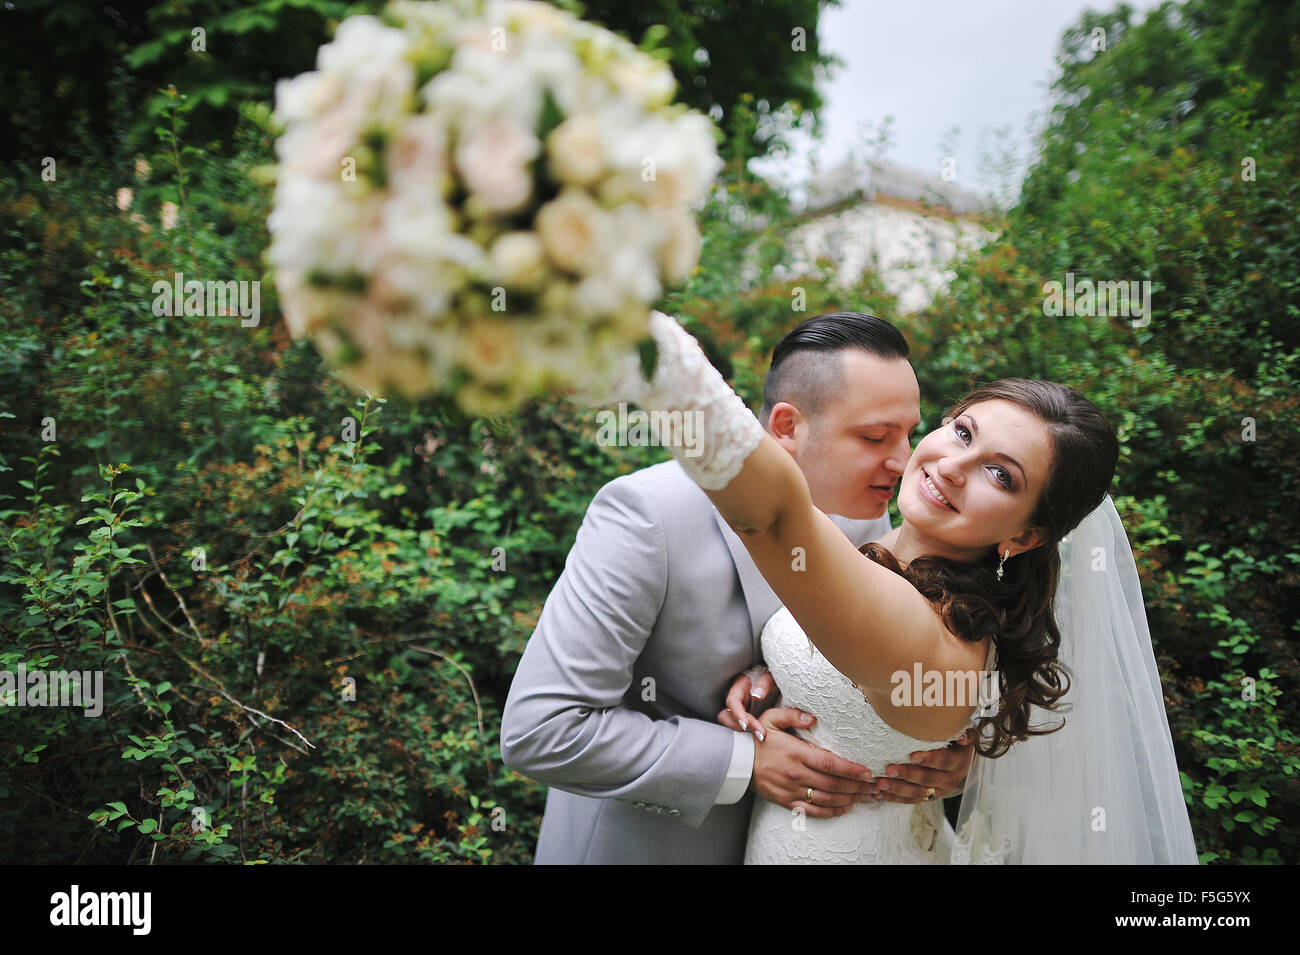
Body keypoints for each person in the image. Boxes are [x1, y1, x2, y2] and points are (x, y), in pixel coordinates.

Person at [588, 310, 1197, 865]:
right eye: (963, 432)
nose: (952, 465)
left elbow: (772, 516)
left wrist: (651, 345)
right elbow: (843, 640)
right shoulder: (870, 529)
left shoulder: (938, 641)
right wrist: (769, 675)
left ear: (1027, 535)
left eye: (999, 475)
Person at [500, 312, 974, 864]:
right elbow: (542, 729)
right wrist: (745, 761)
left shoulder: (872, 523)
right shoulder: (647, 515)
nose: (902, 461)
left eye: (909, 433)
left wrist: (955, 761)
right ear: (787, 426)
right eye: (874, 437)